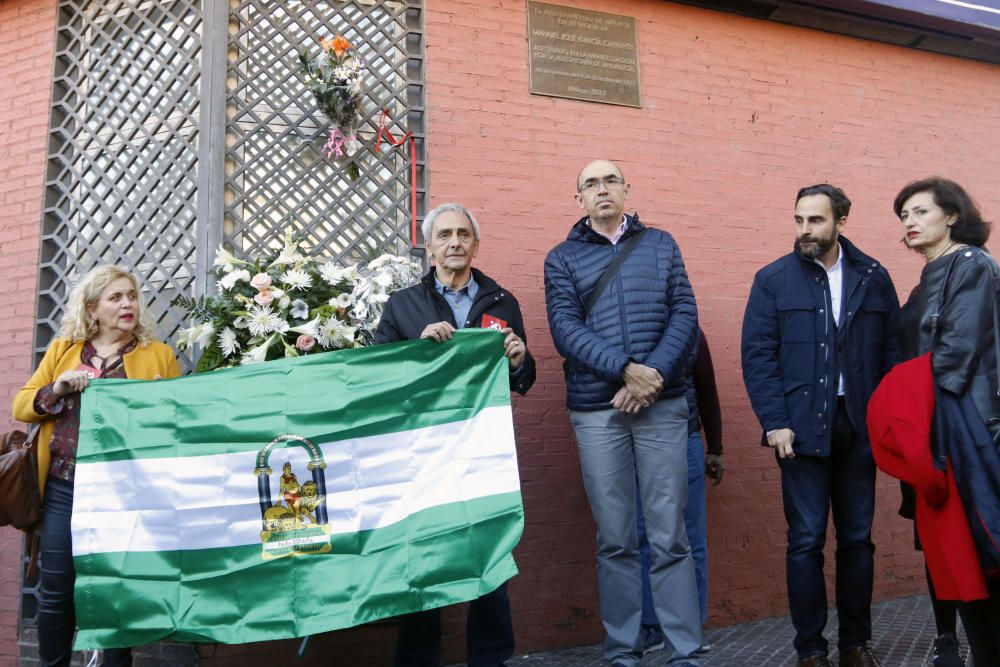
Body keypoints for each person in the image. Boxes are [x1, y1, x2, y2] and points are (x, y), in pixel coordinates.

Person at [544, 159, 702, 667]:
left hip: (662, 402)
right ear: (579, 199)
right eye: (590, 183)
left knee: (669, 536)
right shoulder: (561, 259)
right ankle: (623, 652)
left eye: (610, 179)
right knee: (615, 539)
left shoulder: (662, 245)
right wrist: (625, 370)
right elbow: (565, 330)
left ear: (626, 189)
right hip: (597, 410)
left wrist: (651, 374)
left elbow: (685, 313)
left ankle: (685, 652)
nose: (601, 188)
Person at [741, 184, 899, 667]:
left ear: (841, 221)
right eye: (798, 220)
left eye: (815, 221)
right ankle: (810, 649)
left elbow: (893, 354)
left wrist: (887, 423)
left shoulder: (873, 277)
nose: (804, 230)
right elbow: (758, 356)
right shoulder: (772, 279)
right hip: (800, 432)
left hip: (858, 427)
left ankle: (855, 644)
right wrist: (775, 423)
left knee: (857, 540)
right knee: (805, 541)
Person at [374, 202, 535, 667]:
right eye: (444, 235)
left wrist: (520, 359)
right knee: (422, 561)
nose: (455, 242)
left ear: (476, 244)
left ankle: (491, 659)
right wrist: (419, 351)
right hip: (421, 454)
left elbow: (522, 379)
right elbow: (378, 377)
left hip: (485, 452)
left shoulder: (503, 302)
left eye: (464, 234)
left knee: (489, 556)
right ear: (430, 246)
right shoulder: (404, 305)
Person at [12, 265, 181, 667]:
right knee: (56, 587)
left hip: (125, 491)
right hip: (64, 487)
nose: (128, 304)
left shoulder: (158, 355)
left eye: (132, 296)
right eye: (116, 297)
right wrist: (59, 386)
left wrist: (160, 403)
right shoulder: (65, 350)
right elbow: (22, 405)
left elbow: (177, 423)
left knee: (115, 589)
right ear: (92, 308)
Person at [891, 176, 1000, 665]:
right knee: (951, 548)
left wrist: (902, 403)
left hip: (968, 427)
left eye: (919, 211)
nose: (909, 223)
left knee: (980, 546)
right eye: (904, 216)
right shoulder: (924, 281)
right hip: (932, 425)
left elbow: (957, 350)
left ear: (952, 215)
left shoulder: (971, 264)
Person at [637, 327, 723, 654]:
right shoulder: (619, 326)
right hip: (635, 441)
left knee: (689, 538)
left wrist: (714, 447)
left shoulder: (690, 332)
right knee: (643, 534)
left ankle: (690, 626)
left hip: (684, 439)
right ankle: (651, 625)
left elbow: (706, 388)